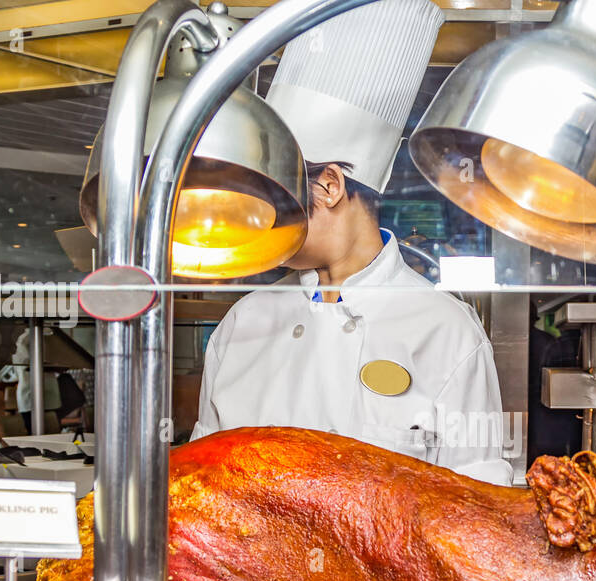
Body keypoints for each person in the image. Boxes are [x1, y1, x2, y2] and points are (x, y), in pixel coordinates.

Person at [190, 0, 512, 486]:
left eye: (270, 195)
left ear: (329, 186)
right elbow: (200, 490)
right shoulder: (243, 323)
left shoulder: (445, 331)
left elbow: (477, 512)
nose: (256, 220)